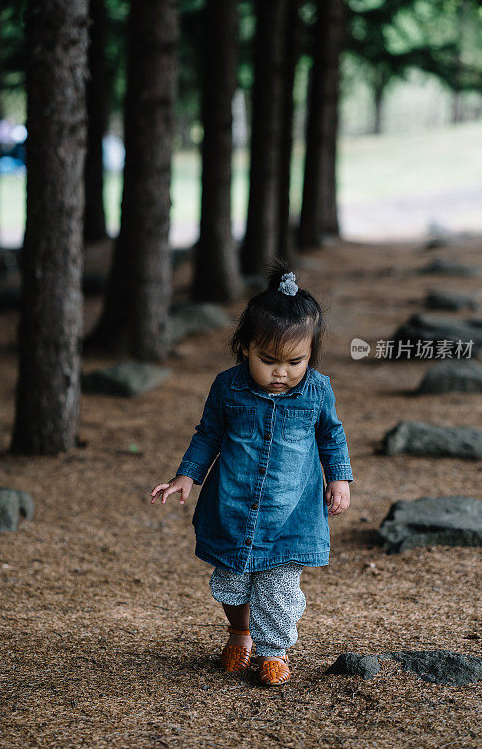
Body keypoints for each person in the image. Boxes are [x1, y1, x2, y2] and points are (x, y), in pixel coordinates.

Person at [151, 258, 354, 686]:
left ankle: (274, 651)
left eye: (295, 361)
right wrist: (185, 476)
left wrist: (339, 478)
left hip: (292, 511)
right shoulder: (228, 386)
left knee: (278, 589)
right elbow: (208, 434)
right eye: (269, 360)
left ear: (310, 354)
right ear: (244, 347)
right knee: (233, 582)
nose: (282, 372)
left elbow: (330, 436)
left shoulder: (317, 389)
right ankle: (240, 634)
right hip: (235, 505)